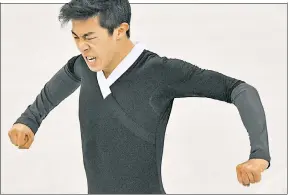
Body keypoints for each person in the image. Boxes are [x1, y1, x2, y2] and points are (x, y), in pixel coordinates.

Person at [8, 0, 271, 194]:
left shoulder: (160, 71)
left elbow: (240, 89)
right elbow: (45, 101)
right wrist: (28, 122)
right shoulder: (83, 67)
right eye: (76, 37)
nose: (81, 46)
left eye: (90, 37)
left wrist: (259, 155)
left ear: (120, 31)